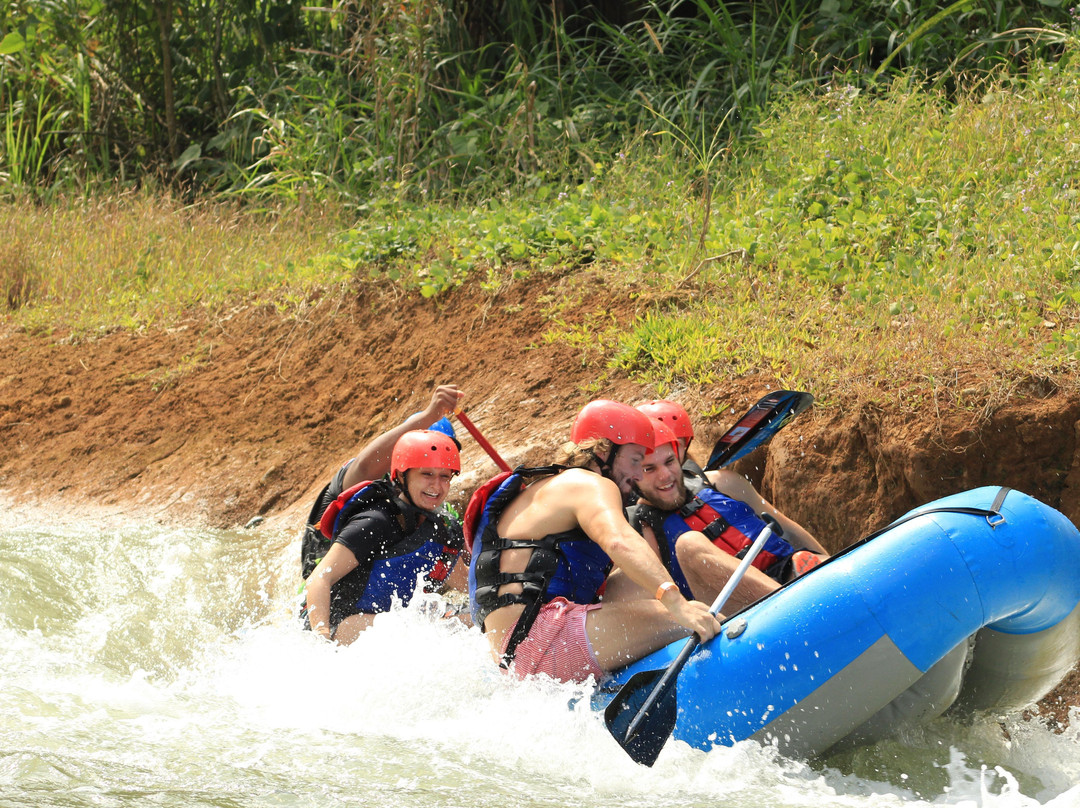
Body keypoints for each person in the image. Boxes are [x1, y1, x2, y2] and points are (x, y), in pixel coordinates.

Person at [466, 399, 723, 684]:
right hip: (541, 642)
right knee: (689, 617)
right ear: (604, 450)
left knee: (632, 578)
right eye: (635, 460)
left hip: (515, 655)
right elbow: (619, 541)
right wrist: (678, 606)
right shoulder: (588, 484)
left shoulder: (551, 486)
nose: (638, 475)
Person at [631, 407, 829, 607]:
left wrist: (832, 561)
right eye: (649, 469)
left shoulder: (722, 482)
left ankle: (807, 583)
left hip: (786, 568)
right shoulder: (643, 530)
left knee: (808, 561)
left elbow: (788, 529)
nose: (664, 475)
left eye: (669, 461)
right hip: (736, 608)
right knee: (690, 545)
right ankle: (794, 604)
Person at [303, 429, 465, 644]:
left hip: (394, 625)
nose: (437, 486)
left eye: (445, 476)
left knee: (471, 621)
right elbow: (320, 578)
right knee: (410, 627)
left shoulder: (443, 529)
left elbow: (465, 582)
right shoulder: (374, 522)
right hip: (342, 627)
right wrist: (321, 637)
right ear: (400, 476)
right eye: (427, 474)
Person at [300, 383, 464, 578]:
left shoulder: (441, 513)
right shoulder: (365, 483)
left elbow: (465, 570)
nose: (437, 465)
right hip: (325, 585)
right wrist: (430, 416)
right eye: (426, 463)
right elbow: (365, 466)